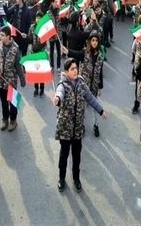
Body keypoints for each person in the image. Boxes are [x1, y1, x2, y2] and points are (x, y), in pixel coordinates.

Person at [53, 58, 107, 193]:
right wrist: (57, 99)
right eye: (72, 69)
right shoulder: (62, 85)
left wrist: (101, 110)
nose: (75, 70)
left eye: (76, 67)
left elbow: (90, 98)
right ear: (66, 71)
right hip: (65, 128)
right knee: (64, 155)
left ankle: (76, 178)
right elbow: (59, 93)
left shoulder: (82, 83)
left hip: (77, 128)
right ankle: (61, 178)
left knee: (76, 155)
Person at [61, 31, 104, 137]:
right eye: (92, 40)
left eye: (96, 41)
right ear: (90, 41)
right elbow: (76, 54)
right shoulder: (85, 53)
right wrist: (67, 51)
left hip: (93, 86)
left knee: (95, 106)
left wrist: (100, 86)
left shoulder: (100, 56)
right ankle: (82, 126)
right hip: (83, 85)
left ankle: (95, 125)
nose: (94, 42)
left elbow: (100, 72)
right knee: (82, 107)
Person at [0, 25, 26, 131]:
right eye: (0, 35)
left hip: (11, 81)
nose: (0, 37)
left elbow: (18, 65)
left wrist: (22, 79)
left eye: (2, 35)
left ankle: (13, 120)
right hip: (1, 81)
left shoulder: (15, 48)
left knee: (12, 102)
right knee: (3, 102)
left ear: (8, 36)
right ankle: (5, 119)